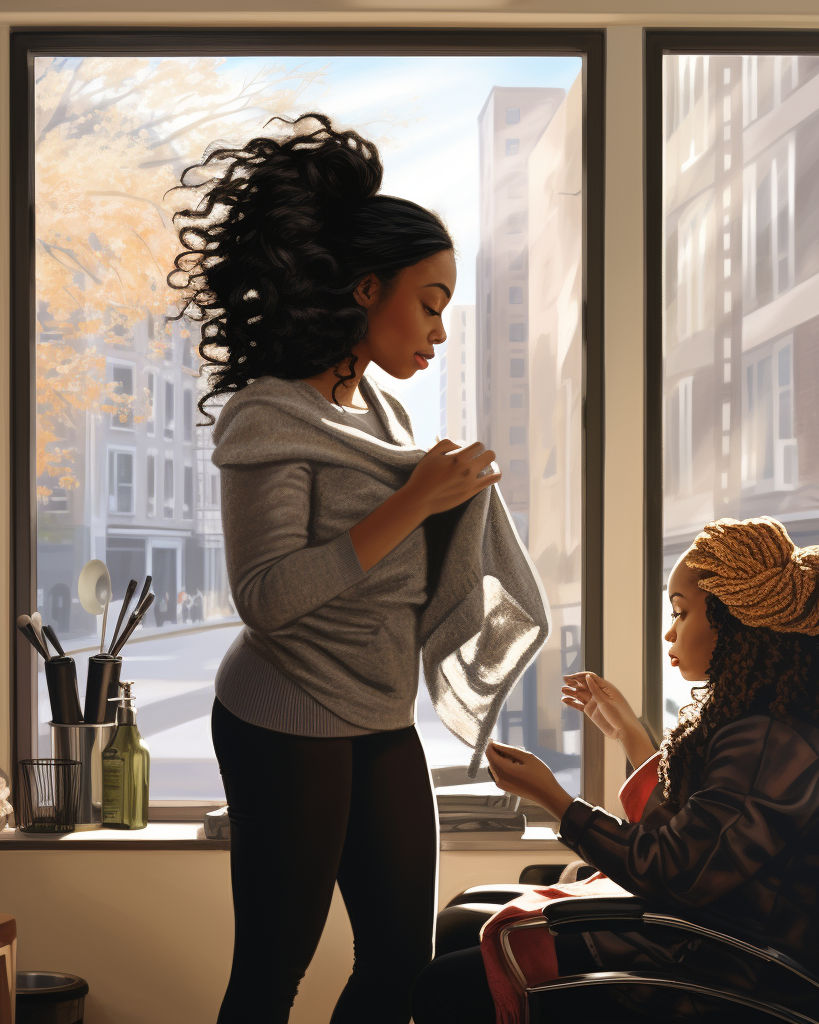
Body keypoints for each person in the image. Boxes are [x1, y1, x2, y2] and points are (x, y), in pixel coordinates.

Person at [167, 112, 549, 1024]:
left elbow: (395, 556)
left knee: (398, 969)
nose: (441, 331)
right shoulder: (268, 416)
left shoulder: (383, 413)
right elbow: (266, 599)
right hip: (283, 715)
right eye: (430, 302)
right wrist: (418, 499)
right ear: (367, 289)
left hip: (378, 710)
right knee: (272, 970)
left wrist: (445, 500)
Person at [411, 515, 819, 1023]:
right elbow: (706, 834)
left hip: (716, 974)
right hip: (721, 939)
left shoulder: (769, 742)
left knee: (440, 986)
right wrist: (631, 737)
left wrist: (553, 799)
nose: (670, 631)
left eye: (681, 614)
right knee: (461, 923)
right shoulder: (784, 724)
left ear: (733, 621)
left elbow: (671, 869)